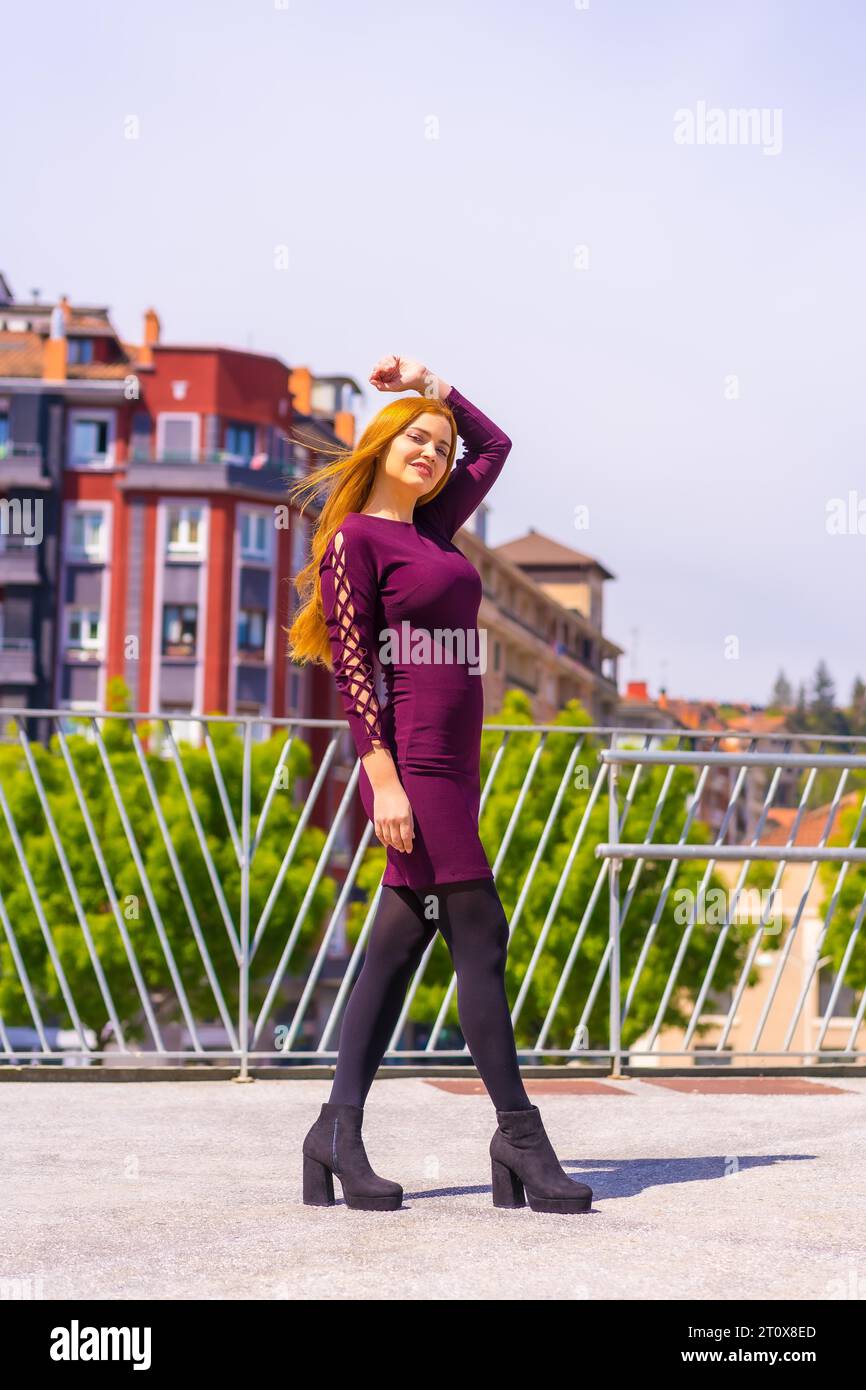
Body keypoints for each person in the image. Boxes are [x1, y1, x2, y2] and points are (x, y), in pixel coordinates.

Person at [286, 354, 592, 1215]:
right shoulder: (356, 541)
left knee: (395, 946)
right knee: (480, 933)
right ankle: (520, 1138)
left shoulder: (434, 528)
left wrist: (435, 382)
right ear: (381, 445)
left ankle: (334, 1132)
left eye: (439, 444)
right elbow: (353, 670)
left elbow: (495, 446)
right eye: (417, 437)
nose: (433, 451)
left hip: (458, 763)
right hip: (412, 765)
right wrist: (381, 780)